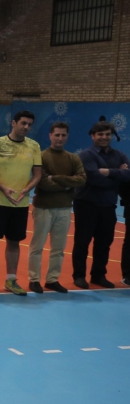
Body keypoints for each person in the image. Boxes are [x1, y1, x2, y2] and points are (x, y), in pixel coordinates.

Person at [0, 110, 41, 296]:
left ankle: (11, 280)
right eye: (23, 123)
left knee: (14, 242)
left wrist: (27, 189)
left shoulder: (34, 146)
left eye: (29, 124)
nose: (26, 127)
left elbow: (37, 174)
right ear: (13, 123)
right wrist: (3, 188)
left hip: (19, 204)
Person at [73, 121, 130, 289]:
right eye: (100, 134)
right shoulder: (86, 155)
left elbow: (128, 175)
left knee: (104, 243)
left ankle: (98, 275)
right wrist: (118, 174)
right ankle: (79, 275)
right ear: (93, 136)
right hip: (86, 205)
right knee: (82, 242)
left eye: (107, 134)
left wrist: (109, 172)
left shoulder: (119, 155)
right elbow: (94, 179)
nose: (104, 137)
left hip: (108, 206)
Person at [28, 123, 84, 294]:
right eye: (57, 135)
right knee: (37, 246)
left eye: (63, 135)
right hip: (44, 208)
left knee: (59, 248)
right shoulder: (41, 157)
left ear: (67, 136)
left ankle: (52, 279)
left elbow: (81, 180)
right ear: (50, 136)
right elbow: (43, 183)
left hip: (65, 208)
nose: (60, 138)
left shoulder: (73, 158)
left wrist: (57, 178)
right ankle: (34, 279)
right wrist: (67, 184)